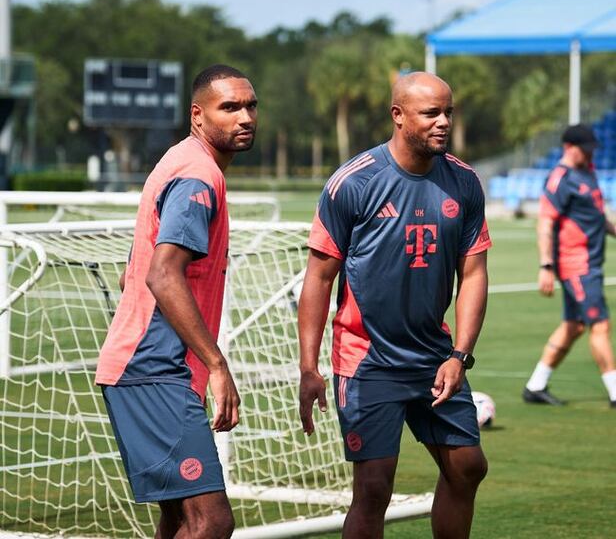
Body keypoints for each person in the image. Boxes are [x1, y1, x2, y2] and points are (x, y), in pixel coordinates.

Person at [298, 71, 491, 539]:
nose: (443, 122)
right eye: (431, 113)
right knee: (373, 489)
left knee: (468, 467)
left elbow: (473, 274)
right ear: (398, 116)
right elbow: (319, 278)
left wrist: (460, 355)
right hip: (368, 360)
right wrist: (308, 368)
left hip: (434, 357)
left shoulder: (464, 182)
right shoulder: (354, 182)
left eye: (448, 112)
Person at [95, 64, 258, 539]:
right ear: (197, 115)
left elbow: (134, 273)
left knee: (181, 519)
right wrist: (217, 364)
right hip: (152, 366)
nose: (245, 117)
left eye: (251, 106)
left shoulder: (182, 160)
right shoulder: (198, 174)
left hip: (151, 366)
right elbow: (161, 274)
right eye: (229, 107)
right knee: (212, 521)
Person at [523, 124, 616, 407]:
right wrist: (546, 266)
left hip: (591, 263)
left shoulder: (587, 172)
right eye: (584, 149)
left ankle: (535, 385)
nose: (590, 153)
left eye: (591, 149)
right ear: (568, 147)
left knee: (574, 326)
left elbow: (599, 217)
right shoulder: (560, 179)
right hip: (577, 265)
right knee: (599, 324)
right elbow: (545, 223)